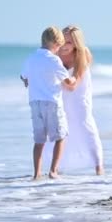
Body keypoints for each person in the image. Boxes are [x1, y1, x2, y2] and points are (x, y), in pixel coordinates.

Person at [43, 25, 104, 175]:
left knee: (86, 127)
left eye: (69, 42)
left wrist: (61, 77)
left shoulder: (82, 54)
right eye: (63, 41)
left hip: (79, 95)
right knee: (60, 130)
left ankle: (99, 166)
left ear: (76, 43)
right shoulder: (55, 54)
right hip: (60, 96)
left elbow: (74, 84)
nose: (64, 45)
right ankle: (57, 168)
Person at [20, 26, 76, 180]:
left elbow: (23, 76)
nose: (59, 50)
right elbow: (67, 80)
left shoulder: (31, 57)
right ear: (55, 44)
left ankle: (36, 173)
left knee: (39, 140)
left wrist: (27, 81)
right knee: (60, 136)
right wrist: (74, 78)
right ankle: (53, 171)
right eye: (59, 46)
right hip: (51, 102)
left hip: (35, 103)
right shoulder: (53, 59)